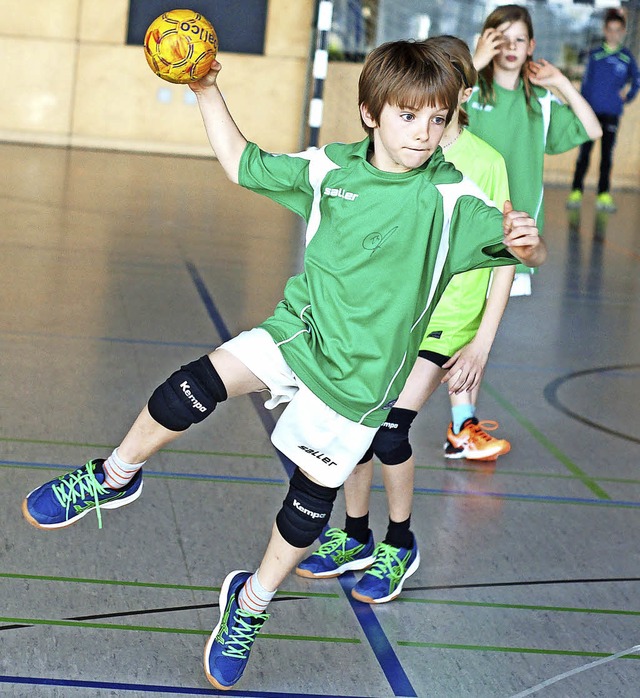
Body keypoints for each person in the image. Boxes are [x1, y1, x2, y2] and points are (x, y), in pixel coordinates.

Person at [21, 40, 546, 690]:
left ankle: (251, 602)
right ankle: (114, 474)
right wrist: (205, 88)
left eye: (437, 119)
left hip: (360, 384)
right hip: (298, 332)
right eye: (409, 117)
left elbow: (526, 250)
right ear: (370, 113)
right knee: (191, 387)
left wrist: (528, 242)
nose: (425, 132)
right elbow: (242, 164)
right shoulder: (330, 169)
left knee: (306, 511)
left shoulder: (453, 199)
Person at [295, 35, 515, 603]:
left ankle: (400, 542)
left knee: (391, 427)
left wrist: (482, 343)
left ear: (459, 93)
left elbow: (506, 257)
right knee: (360, 423)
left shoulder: (484, 163)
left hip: (448, 319)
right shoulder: (399, 151)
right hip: (394, 319)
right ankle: (355, 535)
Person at [467, 3, 602, 296]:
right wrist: (474, 62)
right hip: (465, 227)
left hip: (514, 232)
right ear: (488, 42)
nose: (510, 46)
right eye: (502, 38)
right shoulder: (469, 90)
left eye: (519, 39)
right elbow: (437, 103)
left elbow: (593, 129)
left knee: (486, 333)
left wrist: (561, 83)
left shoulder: (540, 102)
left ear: (531, 46)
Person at [566, 8, 640, 213]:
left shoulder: (626, 58)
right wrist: (581, 109)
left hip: (612, 114)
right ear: (605, 30)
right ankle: (576, 191)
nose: (614, 34)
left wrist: (630, 95)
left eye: (618, 30)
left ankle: (603, 194)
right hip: (590, 113)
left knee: (607, 156)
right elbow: (586, 83)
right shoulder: (595, 55)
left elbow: (637, 80)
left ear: (623, 31)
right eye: (610, 29)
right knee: (584, 154)